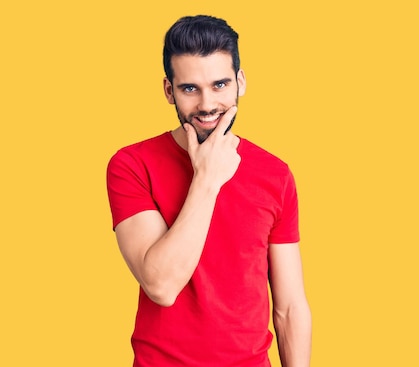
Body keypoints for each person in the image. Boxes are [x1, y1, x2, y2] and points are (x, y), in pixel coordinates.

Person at [106, 15, 311, 367]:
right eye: (190, 88)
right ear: (169, 91)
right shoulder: (131, 165)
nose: (206, 104)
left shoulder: (275, 174)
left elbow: (290, 306)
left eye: (219, 85)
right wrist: (207, 178)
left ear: (239, 83)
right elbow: (162, 285)